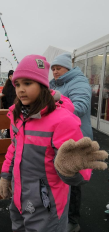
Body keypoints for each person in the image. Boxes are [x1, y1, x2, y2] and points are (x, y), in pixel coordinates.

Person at [0, 55, 107, 232]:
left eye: (27, 83)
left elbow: (81, 175)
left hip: (48, 205)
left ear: (42, 86)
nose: (20, 90)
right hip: (19, 198)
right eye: (17, 84)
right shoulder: (18, 116)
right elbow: (13, 148)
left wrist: (69, 167)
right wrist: (6, 175)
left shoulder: (62, 120)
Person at [49, 53, 93, 232]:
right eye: (53, 69)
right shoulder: (54, 85)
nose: (55, 71)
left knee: (72, 179)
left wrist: (54, 106)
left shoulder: (79, 82)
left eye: (58, 68)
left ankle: (72, 221)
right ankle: (59, 214)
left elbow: (80, 106)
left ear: (68, 68)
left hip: (75, 140)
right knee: (58, 177)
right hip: (58, 139)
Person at [2, 70, 16, 138]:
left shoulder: (16, 85)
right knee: (9, 122)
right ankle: (9, 134)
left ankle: (14, 134)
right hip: (8, 107)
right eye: (10, 76)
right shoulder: (6, 86)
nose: (11, 77)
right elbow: (3, 96)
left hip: (15, 107)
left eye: (12, 75)